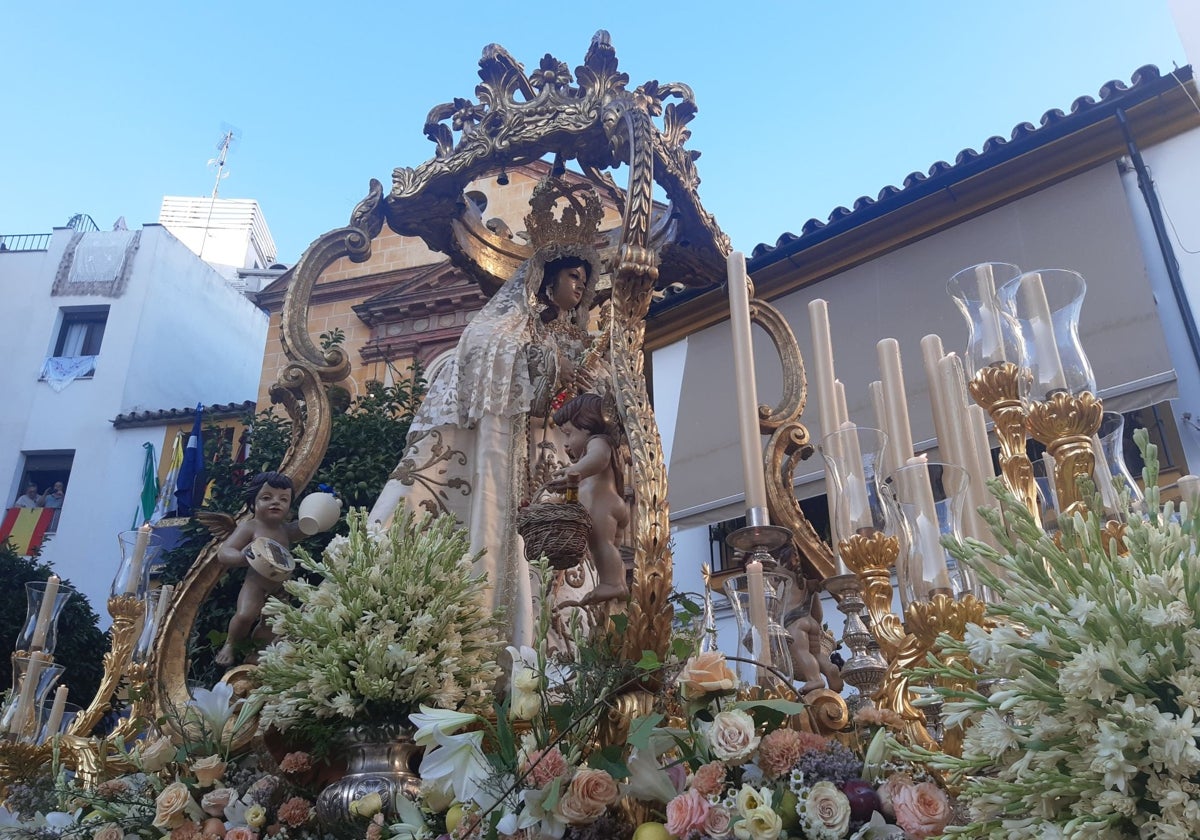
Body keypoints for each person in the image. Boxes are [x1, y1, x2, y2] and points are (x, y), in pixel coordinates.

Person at [369, 178, 608, 647]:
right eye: (573, 277)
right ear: (547, 280)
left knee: (567, 560)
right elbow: (490, 362)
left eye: (585, 279)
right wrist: (547, 372)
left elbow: (573, 410)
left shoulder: (571, 339)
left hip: (550, 459)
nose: (580, 286)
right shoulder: (506, 330)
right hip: (504, 450)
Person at [214, 472, 302, 667]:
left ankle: (257, 651)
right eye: (266, 497)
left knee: (271, 624)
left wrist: (323, 511)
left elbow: (306, 527)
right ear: (253, 502)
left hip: (281, 587)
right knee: (245, 615)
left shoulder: (285, 529)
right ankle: (230, 644)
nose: (275, 502)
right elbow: (224, 552)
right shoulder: (251, 527)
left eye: (283, 499)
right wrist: (242, 556)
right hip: (256, 583)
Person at [550, 394, 629, 607]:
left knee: (601, 543)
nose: (565, 445)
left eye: (568, 434)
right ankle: (617, 581)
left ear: (586, 426)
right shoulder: (592, 450)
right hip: (610, 505)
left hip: (603, 505)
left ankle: (612, 583)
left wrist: (574, 471)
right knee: (609, 547)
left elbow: (598, 459)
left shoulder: (598, 442)